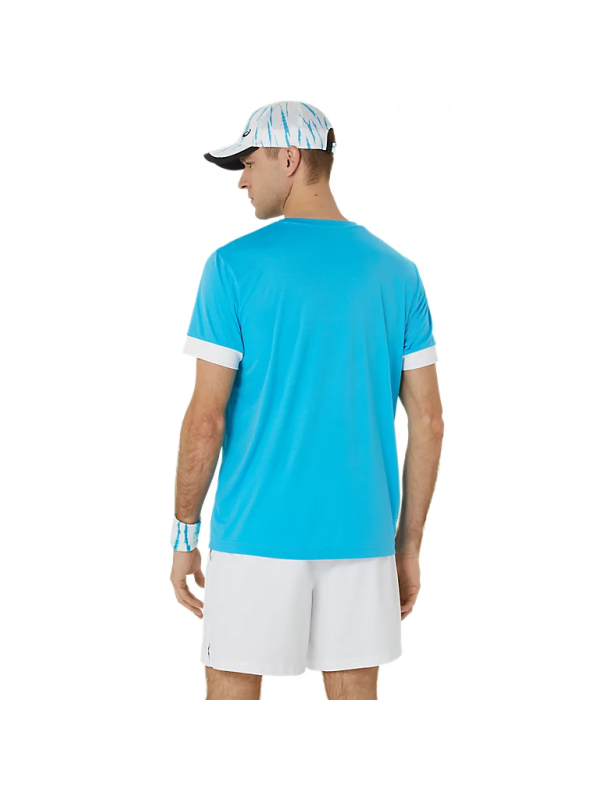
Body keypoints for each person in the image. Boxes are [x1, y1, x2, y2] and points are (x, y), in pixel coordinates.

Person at [170, 101, 444, 700]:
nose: (242, 180)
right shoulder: (398, 273)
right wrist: (408, 548)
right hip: (363, 539)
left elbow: (205, 421)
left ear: (289, 159)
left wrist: (184, 536)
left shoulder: (232, 267)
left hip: (255, 537)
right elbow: (428, 420)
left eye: (248, 163)